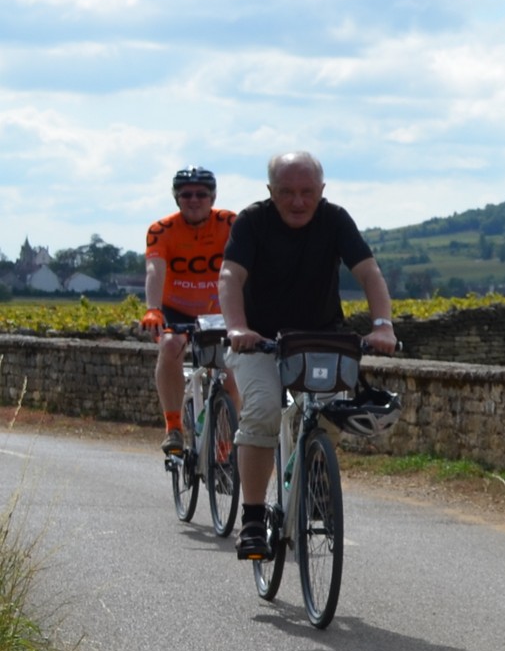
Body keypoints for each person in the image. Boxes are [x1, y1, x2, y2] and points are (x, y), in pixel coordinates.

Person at [218, 153, 398, 562]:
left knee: (333, 409)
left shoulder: (335, 220)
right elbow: (231, 276)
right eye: (286, 193)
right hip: (260, 341)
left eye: (307, 193)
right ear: (270, 192)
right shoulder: (251, 222)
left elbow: (369, 272)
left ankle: (315, 478)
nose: (297, 202)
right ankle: (251, 518)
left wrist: (383, 324)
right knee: (262, 409)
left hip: (320, 338)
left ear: (321, 192)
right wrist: (237, 329)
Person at [141, 167, 237, 455]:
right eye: (186, 195)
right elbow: (154, 270)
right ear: (176, 198)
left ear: (213, 197)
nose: (194, 200)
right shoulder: (162, 229)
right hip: (176, 308)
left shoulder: (231, 223)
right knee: (170, 346)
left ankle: (224, 441)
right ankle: (173, 427)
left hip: (219, 309)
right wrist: (153, 309)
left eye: (201, 194)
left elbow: (248, 266)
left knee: (232, 370)